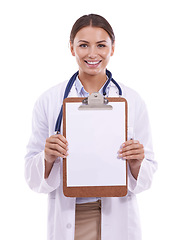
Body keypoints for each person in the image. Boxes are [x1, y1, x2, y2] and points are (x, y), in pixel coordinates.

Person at [25, 14, 157, 240]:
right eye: (83, 45)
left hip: (116, 214)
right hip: (71, 216)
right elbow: (31, 176)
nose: (92, 53)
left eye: (101, 45)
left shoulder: (132, 101)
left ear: (112, 48)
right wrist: (46, 158)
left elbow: (148, 175)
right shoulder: (49, 101)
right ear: (71, 47)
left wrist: (136, 164)